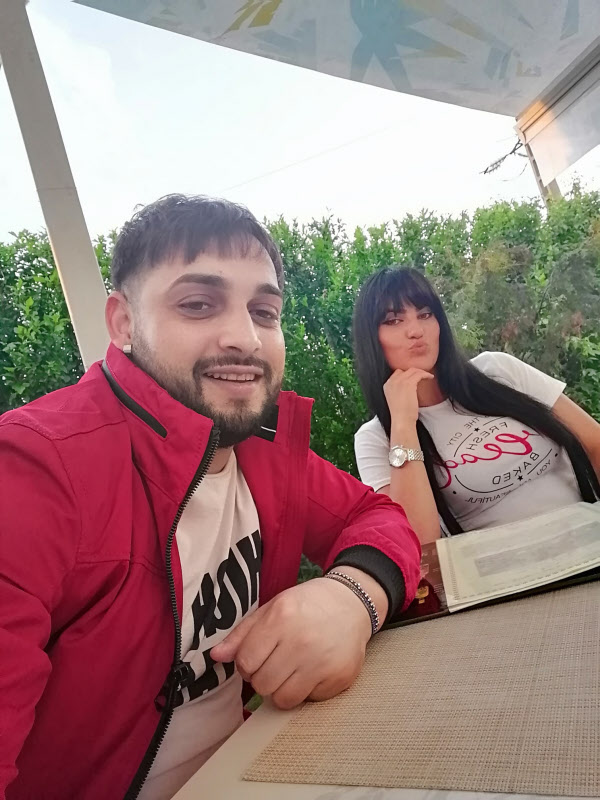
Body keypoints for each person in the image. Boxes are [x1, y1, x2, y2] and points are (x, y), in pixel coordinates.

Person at [0, 197, 421, 800]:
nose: (245, 339)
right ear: (122, 323)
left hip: (264, 763)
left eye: (264, 312)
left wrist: (352, 597)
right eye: (197, 304)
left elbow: (375, 516)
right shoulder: (31, 470)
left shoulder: (257, 447)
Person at [353, 266, 600, 544]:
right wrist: (402, 425)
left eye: (425, 314)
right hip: (506, 565)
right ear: (371, 338)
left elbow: (595, 444)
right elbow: (419, 540)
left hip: (588, 542)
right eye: (394, 320)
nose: (416, 330)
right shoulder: (375, 438)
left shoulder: (497, 371)